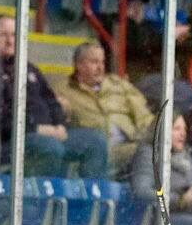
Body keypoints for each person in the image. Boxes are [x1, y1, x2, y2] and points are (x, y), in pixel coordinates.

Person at [0, 15, 107, 177]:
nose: (10, 40)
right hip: (8, 143)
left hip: (48, 136)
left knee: (95, 142)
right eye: (3, 35)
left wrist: (60, 125)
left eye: (14, 35)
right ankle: (38, 201)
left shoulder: (30, 69)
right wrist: (37, 129)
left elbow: (51, 101)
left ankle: (88, 202)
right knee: (50, 147)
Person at [52, 42, 153, 175]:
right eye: (94, 62)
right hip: (99, 150)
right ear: (79, 65)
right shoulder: (62, 90)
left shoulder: (119, 85)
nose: (100, 68)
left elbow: (144, 117)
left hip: (131, 144)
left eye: (103, 62)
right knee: (147, 155)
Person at [97, 0, 161, 84]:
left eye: (140, 5)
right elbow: (136, 46)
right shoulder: (114, 24)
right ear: (121, 5)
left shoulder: (146, 25)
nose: (137, 9)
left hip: (147, 74)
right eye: (132, 4)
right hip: (127, 76)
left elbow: (157, 44)